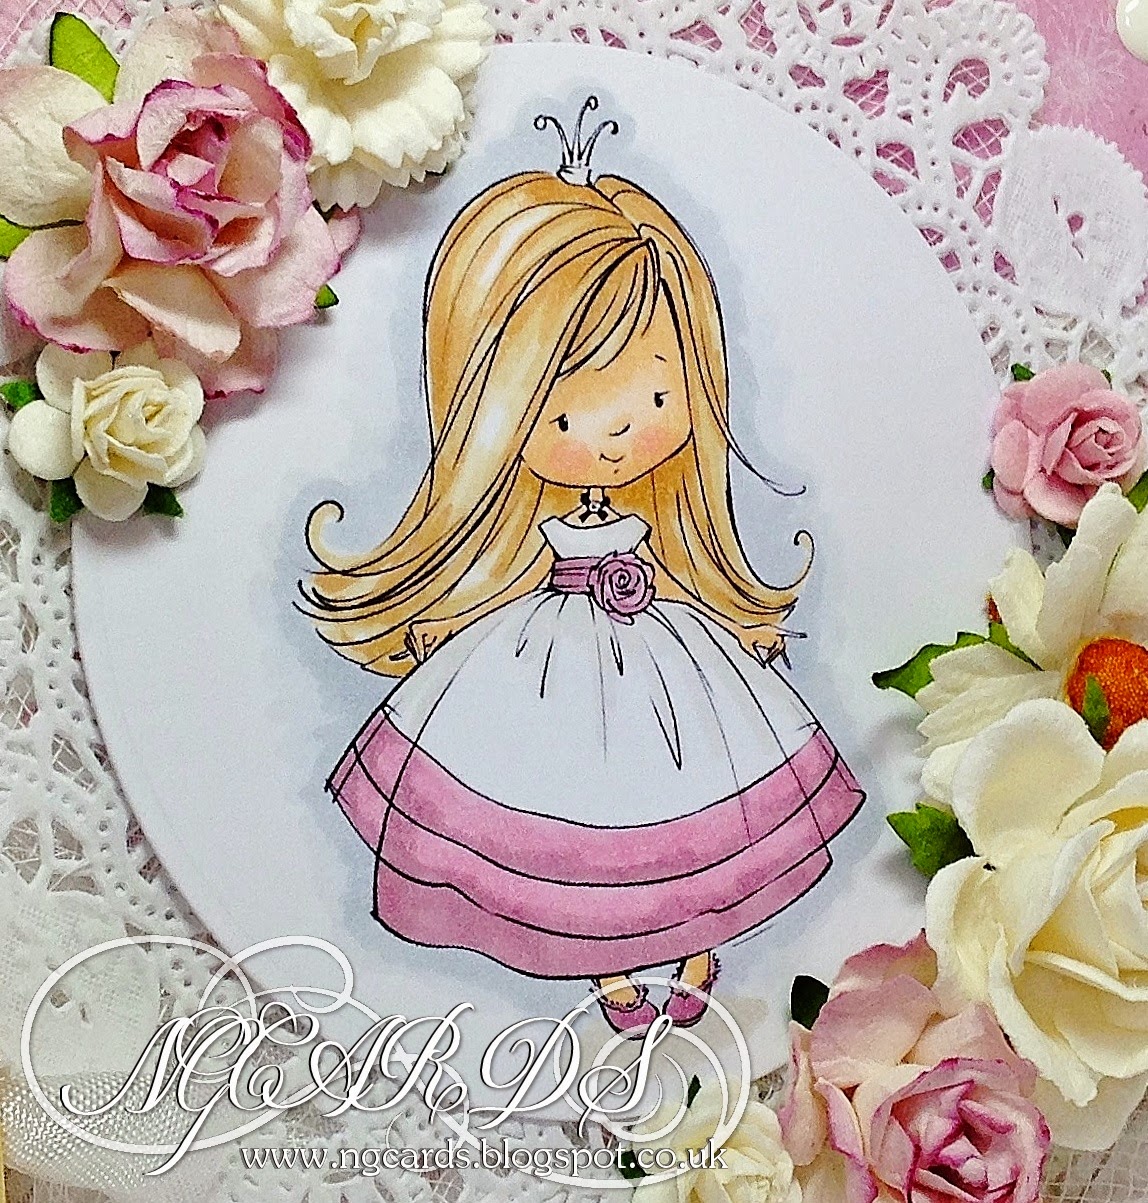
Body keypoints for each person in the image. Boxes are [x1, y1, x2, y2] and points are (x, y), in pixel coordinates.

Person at [302, 98, 863, 1034]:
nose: (615, 434)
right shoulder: (524, 532)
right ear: (496, 411)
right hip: (542, 657)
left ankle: (689, 941)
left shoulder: (660, 516)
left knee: (678, 795)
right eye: (563, 413)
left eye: (656, 395)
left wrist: (734, 627)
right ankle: (610, 965)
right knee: (569, 797)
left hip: (669, 659)